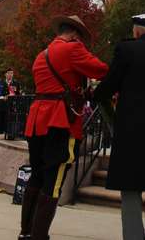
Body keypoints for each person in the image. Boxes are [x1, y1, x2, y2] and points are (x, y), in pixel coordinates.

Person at [18, 15, 109, 240]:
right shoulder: (72, 50)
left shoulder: (41, 55)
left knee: (37, 176)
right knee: (54, 181)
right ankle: (39, 236)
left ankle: (26, 232)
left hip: (37, 120)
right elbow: (101, 70)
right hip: (60, 121)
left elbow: (60, 83)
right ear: (74, 35)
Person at [94, 14, 145, 240]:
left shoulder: (126, 50)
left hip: (131, 128)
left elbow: (111, 83)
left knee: (130, 187)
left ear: (136, 32)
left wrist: (95, 95)